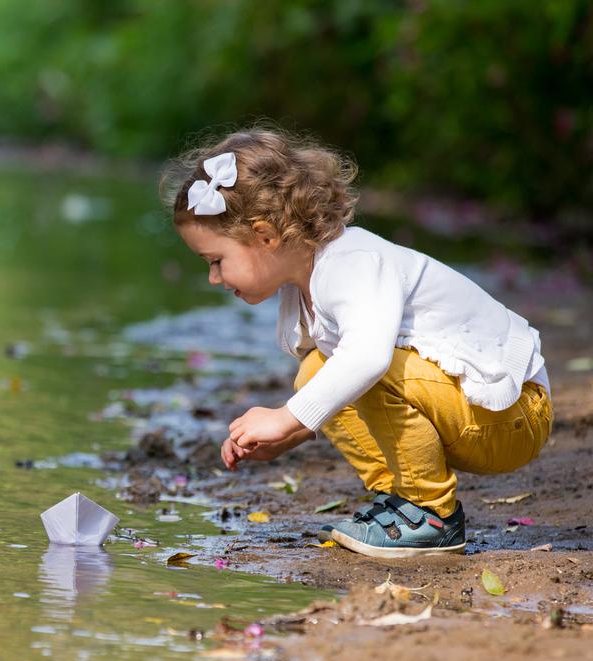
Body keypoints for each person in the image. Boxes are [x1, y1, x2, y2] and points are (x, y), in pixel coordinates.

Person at [165, 128, 552, 558]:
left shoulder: (352, 261)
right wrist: (291, 433)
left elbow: (367, 358)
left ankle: (432, 515)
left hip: (514, 413)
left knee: (367, 364)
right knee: (316, 369)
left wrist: (287, 417)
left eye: (216, 262)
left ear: (265, 236)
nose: (214, 278)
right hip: (469, 411)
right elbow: (335, 379)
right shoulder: (304, 289)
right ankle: (403, 501)